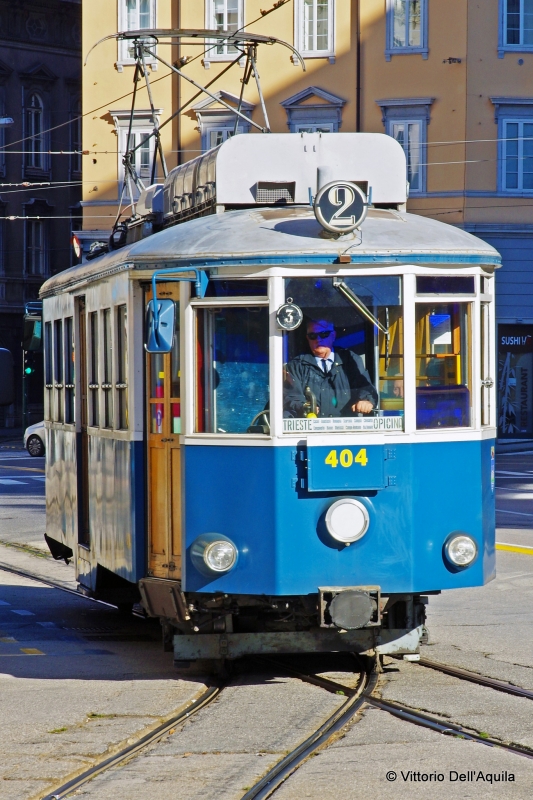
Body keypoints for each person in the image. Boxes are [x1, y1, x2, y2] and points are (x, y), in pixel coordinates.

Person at [284, 319, 378, 418]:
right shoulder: (296, 366)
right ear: (307, 338)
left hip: (346, 429)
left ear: (333, 335)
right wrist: (304, 407)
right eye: (313, 336)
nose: (318, 339)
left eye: (324, 334)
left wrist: (366, 401)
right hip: (311, 429)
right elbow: (291, 396)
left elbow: (365, 387)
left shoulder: (350, 360)